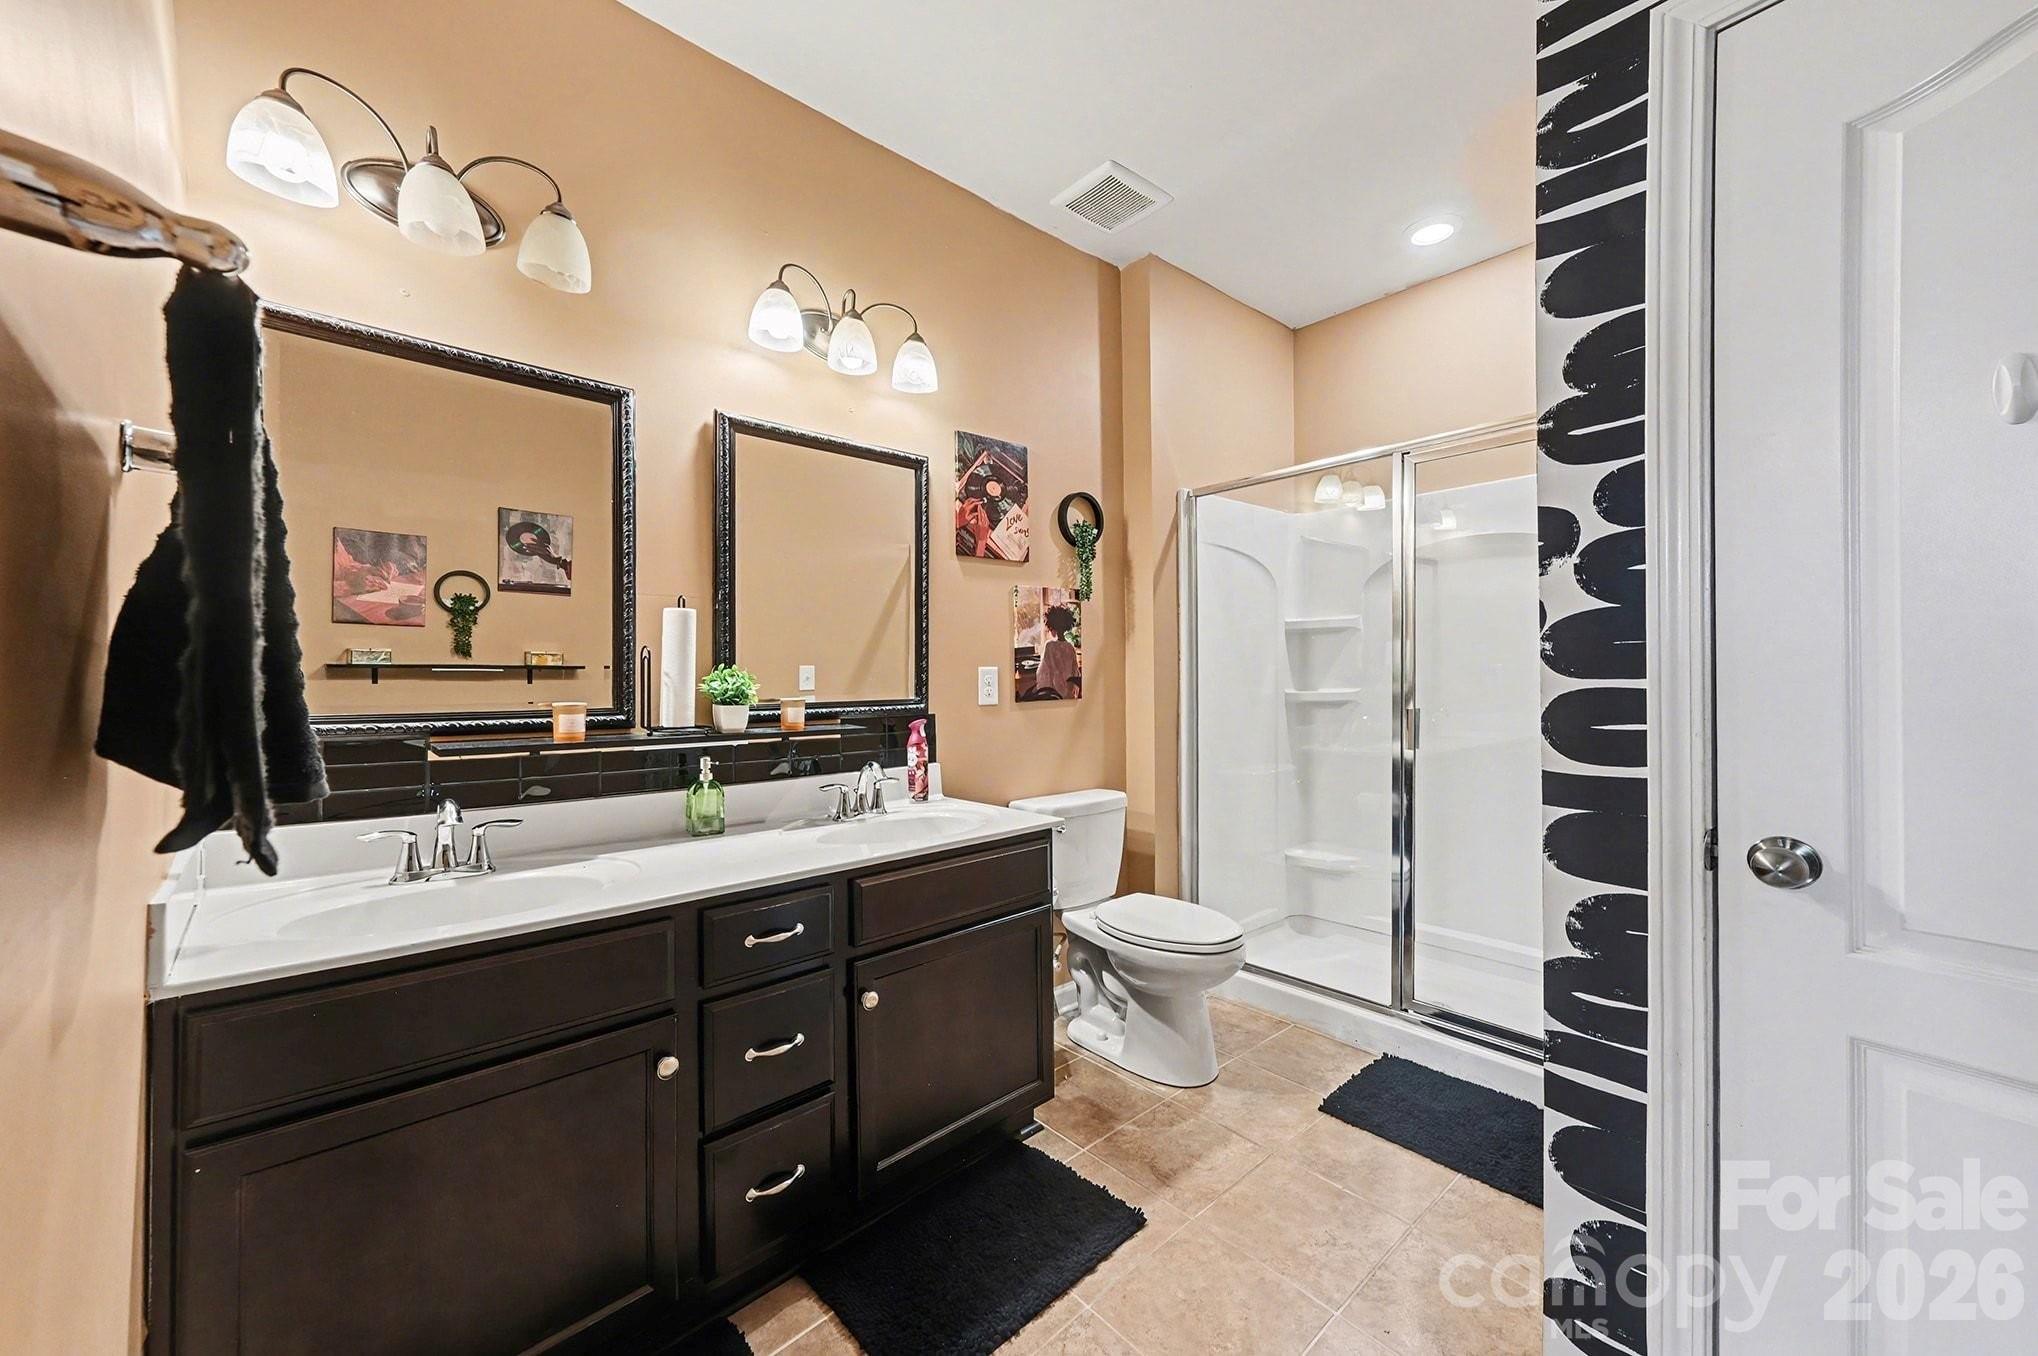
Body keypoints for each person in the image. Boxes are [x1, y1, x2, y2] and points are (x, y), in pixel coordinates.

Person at [1034, 603, 1080, 699]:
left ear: (1052, 626)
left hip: (1054, 694)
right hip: (1068, 694)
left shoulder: (1049, 646)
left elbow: (1043, 673)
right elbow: (1075, 675)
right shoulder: (1070, 647)